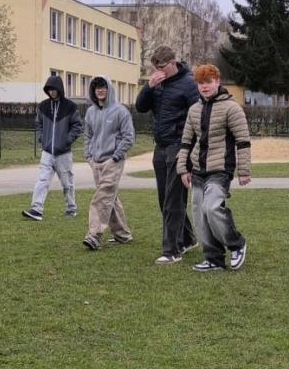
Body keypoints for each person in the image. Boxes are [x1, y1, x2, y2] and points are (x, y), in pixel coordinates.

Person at [176, 64, 251, 272]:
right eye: (200, 83)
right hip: (198, 170)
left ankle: (237, 244)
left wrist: (244, 171)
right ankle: (214, 259)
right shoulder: (194, 109)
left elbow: (243, 141)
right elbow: (186, 142)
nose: (204, 87)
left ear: (217, 81)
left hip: (220, 170)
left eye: (208, 82)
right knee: (200, 215)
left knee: (212, 207)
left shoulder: (232, 108)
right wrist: (183, 168)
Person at [135, 45, 200, 264]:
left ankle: (172, 251)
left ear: (173, 63)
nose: (159, 71)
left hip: (179, 146)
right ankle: (188, 238)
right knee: (165, 198)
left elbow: (199, 116)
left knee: (173, 198)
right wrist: (148, 87)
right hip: (160, 146)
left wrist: (191, 149)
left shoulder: (189, 84)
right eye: (155, 67)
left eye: (162, 67)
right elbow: (141, 107)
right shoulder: (156, 84)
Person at [82, 75, 135, 251]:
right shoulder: (90, 112)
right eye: (96, 87)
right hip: (95, 161)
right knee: (110, 198)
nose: (100, 89)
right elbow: (88, 136)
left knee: (102, 197)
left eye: (103, 86)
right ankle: (123, 235)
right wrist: (88, 156)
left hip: (113, 161)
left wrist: (116, 157)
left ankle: (94, 235)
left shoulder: (120, 111)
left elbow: (129, 137)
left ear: (109, 88)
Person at [23, 74, 83, 221]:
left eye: (54, 89)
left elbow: (77, 126)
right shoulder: (43, 107)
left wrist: (67, 141)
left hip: (64, 153)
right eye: (49, 89)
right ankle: (36, 209)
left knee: (67, 183)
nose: (51, 92)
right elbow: (38, 124)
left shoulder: (70, 107)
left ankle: (71, 209)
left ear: (59, 89)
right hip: (47, 152)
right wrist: (42, 139)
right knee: (42, 180)